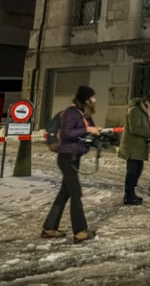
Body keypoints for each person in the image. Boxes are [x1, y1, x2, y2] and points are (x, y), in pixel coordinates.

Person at [42, 85, 102, 243]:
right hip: (66, 157)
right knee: (76, 193)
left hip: (75, 157)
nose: (95, 100)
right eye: (93, 97)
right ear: (86, 99)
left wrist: (96, 134)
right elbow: (68, 134)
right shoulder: (71, 112)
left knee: (65, 193)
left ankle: (50, 227)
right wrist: (87, 129)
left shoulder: (85, 114)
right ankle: (80, 231)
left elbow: (86, 132)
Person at [118, 94, 150, 205]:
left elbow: (145, 127)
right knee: (132, 172)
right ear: (147, 103)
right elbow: (134, 128)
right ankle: (128, 195)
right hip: (132, 148)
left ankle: (132, 193)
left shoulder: (145, 112)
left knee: (138, 170)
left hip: (139, 148)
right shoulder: (134, 111)